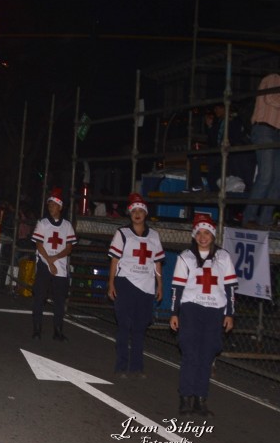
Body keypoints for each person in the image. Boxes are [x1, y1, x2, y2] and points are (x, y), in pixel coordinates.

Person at [169, 213, 237, 417]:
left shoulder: (223, 257)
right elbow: (177, 288)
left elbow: (231, 287)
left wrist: (230, 314)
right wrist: (175, 313)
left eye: (207, 232)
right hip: (191, 309)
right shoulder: (186, 257)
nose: (203, 237)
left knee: (207, 355)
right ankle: (185, 398)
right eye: (199, 233)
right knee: (190, 354)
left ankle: (201, 399)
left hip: (215, 311)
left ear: (213, 235)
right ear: (194, 235)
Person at [107, 193, 164, 377]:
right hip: (126, 283)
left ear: (146, 213)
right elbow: (115, 260)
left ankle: (137, 367)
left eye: (141, 210)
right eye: (134, 211)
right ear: (130, 213)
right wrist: (111, 283)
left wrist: (160, 284)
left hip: (146, 287)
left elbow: (157, 263)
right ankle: (120, 366)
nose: (137, 214)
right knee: (124, 326)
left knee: (140, 329)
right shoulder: (122, 233)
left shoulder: (154, 236)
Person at [31, 187, 76, 340]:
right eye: (49, 205)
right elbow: (39, 244)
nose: (51, 208)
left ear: (60, 207)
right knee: (39, 297)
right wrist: (49, 261)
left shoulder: (67, 226)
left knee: (59, 299)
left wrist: (55, 258)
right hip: (44, 263)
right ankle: (37, 329)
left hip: (61, 267)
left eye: (54, 205)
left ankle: (58, 330)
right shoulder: (42, 223)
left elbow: (69, 248)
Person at [243, 73, 280, 228]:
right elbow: (269, 98)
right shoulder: (274, 78)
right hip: (264, 128)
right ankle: (249, 217)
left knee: (278, 179)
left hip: (276, 132)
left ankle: (264, 219)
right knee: (266, 176)